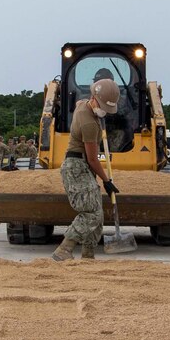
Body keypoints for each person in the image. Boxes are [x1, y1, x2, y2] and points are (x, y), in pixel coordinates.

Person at [52, 79, 120, 261]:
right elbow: (92, 158)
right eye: (103, 106)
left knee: (97, 212)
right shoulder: (89, 124)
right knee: (92, 212)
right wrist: (106, 181)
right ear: (94, 98)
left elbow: (79, 102)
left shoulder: (83, 105)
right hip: (77, 167)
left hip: (82, 166)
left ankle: (88, 254)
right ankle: (64, 249)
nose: (105, 110)